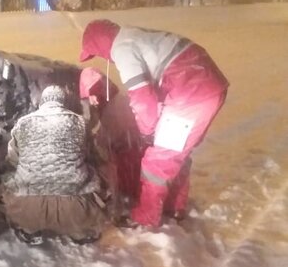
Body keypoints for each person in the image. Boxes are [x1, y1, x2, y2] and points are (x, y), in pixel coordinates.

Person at [79, 20, 229, 227]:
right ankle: (174, 205)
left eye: (97, 52)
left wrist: (146, 131)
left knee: (157, 160)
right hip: (206, 85)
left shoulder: (123, 49)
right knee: (175, 152)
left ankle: (146, 217)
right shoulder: (134, 36)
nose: (105, 59)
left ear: (100, 44)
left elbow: (143, 99)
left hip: (191, 92)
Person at [0, 84, 109, 245]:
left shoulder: (22, 123)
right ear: (63, 102)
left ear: (41, 103)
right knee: (101, 173)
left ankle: (29, 229)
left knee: (6, 181)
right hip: (74, 208)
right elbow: (95, 155)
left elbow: (12, 159)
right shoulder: (80, 122)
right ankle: (80, 230)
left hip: (27, 206)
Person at [78, 67, 143, 210]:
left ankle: (120, 206)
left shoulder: (110, 106)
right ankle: (129, 199)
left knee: (112, 168)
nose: (93, 101)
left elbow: (104, 136)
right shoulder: (119, 99)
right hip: (128, 147)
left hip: (120, 148)